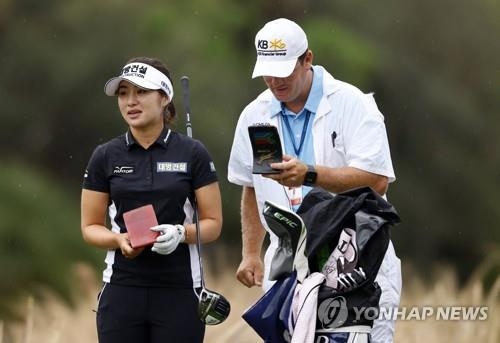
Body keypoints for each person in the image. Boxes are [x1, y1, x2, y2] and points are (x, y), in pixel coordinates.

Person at [227, 18, 401, 342]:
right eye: (267, 71)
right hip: (289, 265)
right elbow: (251, 186)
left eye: (283, 71)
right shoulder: (255, 114)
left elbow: (377, 180)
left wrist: (310, 174)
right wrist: (250, 252)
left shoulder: (352, 104)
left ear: (308, 59)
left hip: (354, 258)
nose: (274, 80)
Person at [81, 56, 223, 343]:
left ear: (164, 98)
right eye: (123, 93)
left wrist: (181, 233)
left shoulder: (192, 153)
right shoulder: (106, 156)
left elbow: (213, 223)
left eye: (141, 92)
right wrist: (118, 240)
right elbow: (90, 227)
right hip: (122, 289)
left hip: (180, 290)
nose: (130, 101)